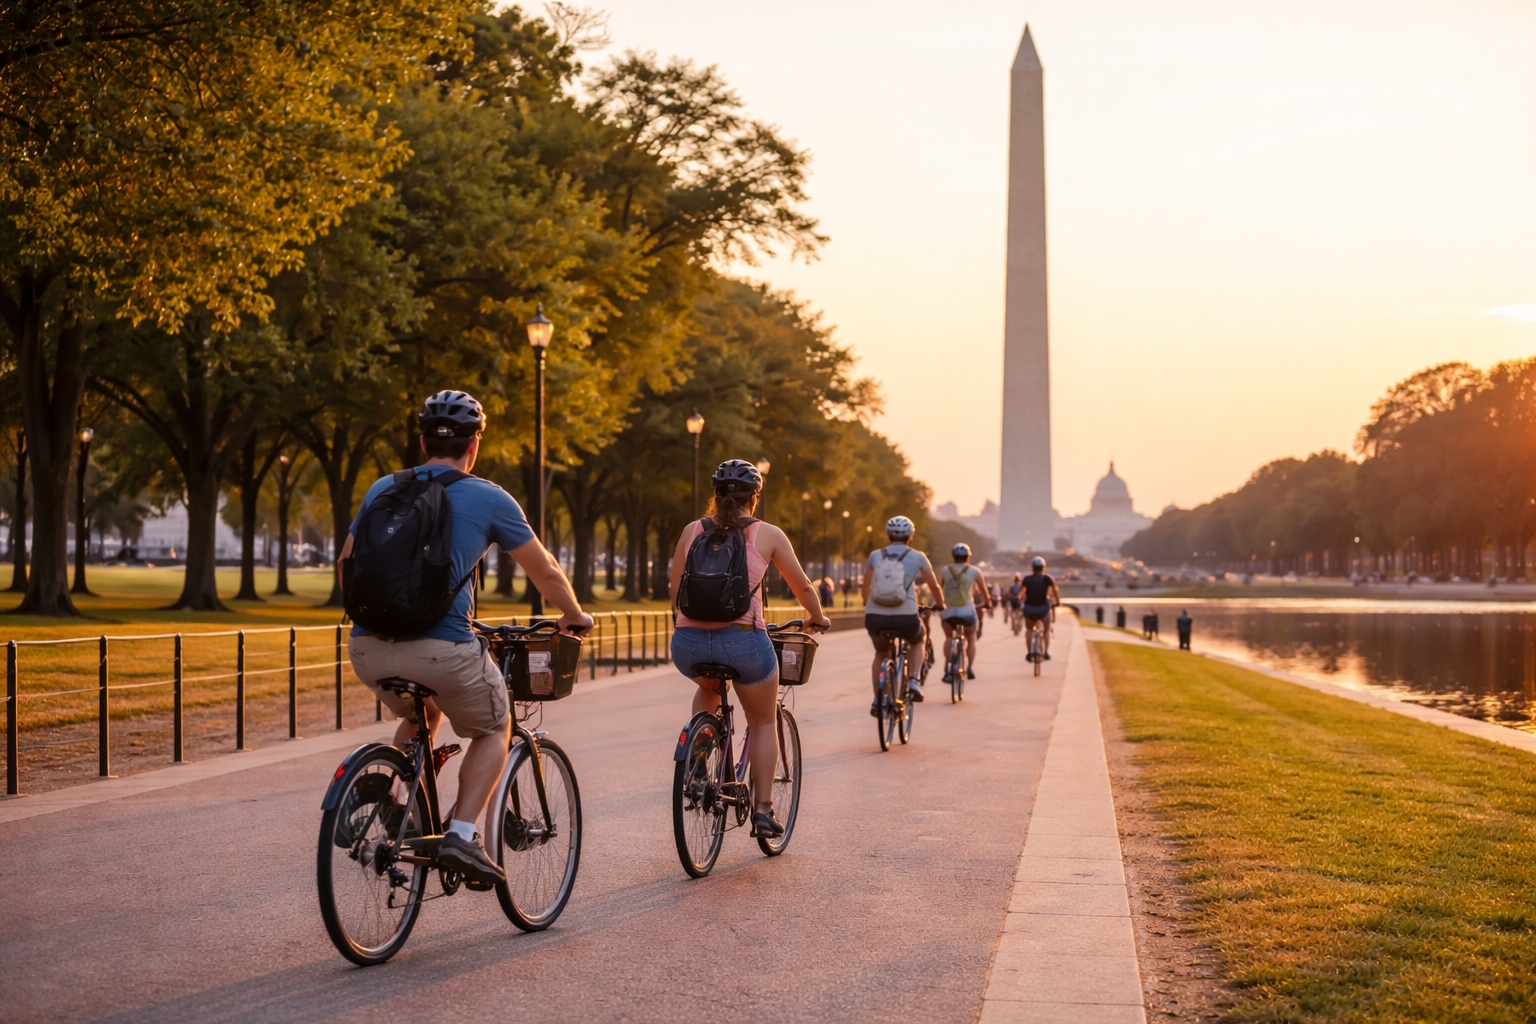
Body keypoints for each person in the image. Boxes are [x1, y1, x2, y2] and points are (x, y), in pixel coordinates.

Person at [342, 390, 594, 885]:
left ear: (421, 441)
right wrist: (574, 614)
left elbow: (347, 562)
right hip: (443, 649)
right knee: (493, 727)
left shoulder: (382, 489)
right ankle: (462, 833)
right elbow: (543, 572)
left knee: (423, 711)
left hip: (368, 648)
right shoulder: (489, 497)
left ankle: (398, 799)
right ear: (474, 444)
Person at [669, 460, 830, 838]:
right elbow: (803, 586)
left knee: (708, 688)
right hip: (743, 640)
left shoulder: (692, 530)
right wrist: (818, 617)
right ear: (754, 498)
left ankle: (697, 763)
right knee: (761, 721)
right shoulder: (768, 534)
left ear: (716, 496)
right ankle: (762, 810)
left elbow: (675, 588)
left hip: (688, 645)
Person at [861, 516, 945, 708]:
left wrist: (869, 604)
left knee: (881, 652)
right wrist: (941, 604)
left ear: (888, 535)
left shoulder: (875, 555)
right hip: (905, 617)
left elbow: (865, 588)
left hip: (876, 616)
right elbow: (934, 586)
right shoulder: (918, 557)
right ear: (911, 536)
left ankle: (878, 700)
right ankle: (914, 679)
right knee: (918, 639)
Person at [938, 543, 990, 681]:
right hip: (966, 612)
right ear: (968, 557)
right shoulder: (974, 571)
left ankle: (948, 666)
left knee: (949, 638)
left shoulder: (945, 570)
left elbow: (938, 589)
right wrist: (987, 604)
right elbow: (984, 592)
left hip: (948, 612)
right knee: (971, 637)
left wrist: (938, 605)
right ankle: (969, 668)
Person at [1021, 555, 1059, 660]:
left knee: (1029, 630)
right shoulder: (1048, 578)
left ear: (1032, 567)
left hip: (1029, 609)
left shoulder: (1026, 579)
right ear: (1044, 567)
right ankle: (1046, 651)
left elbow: (1021, 594)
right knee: (1047, 629)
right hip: (1043, 609)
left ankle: (1029, 653)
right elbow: (1055, 593)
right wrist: (1058, 603)